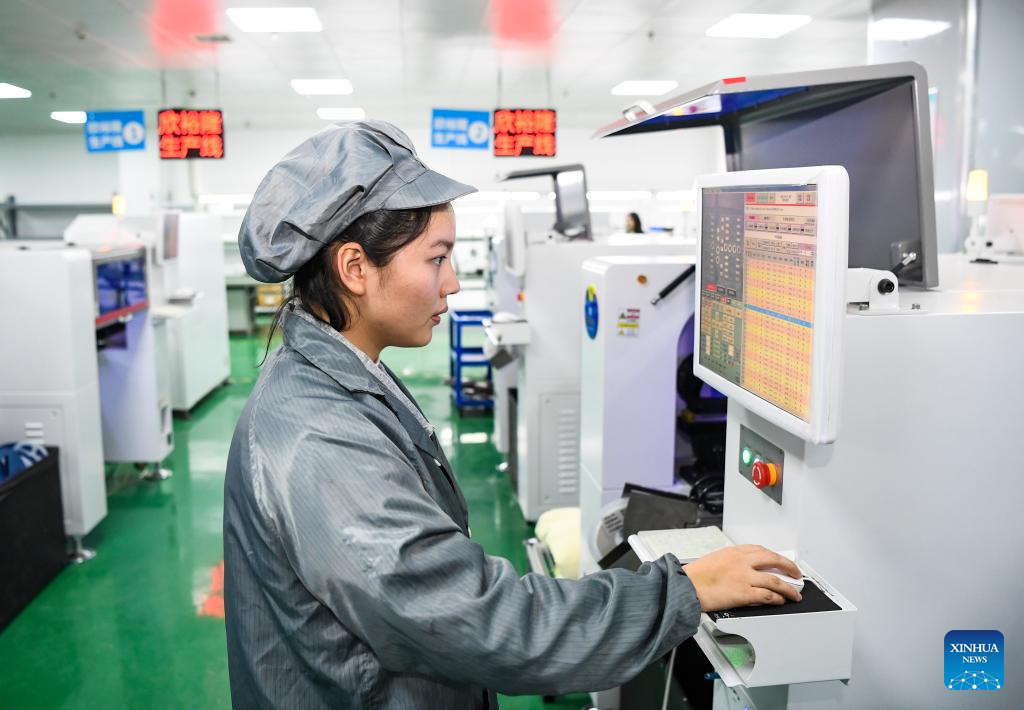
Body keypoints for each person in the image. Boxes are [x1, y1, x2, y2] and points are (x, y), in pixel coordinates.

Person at [223, 120, 801, 709]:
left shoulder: (341, 373)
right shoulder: (318, 434)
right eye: (437, 258)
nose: (452, 282)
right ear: (354, 269)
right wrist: (683, 590)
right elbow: (478, 620)